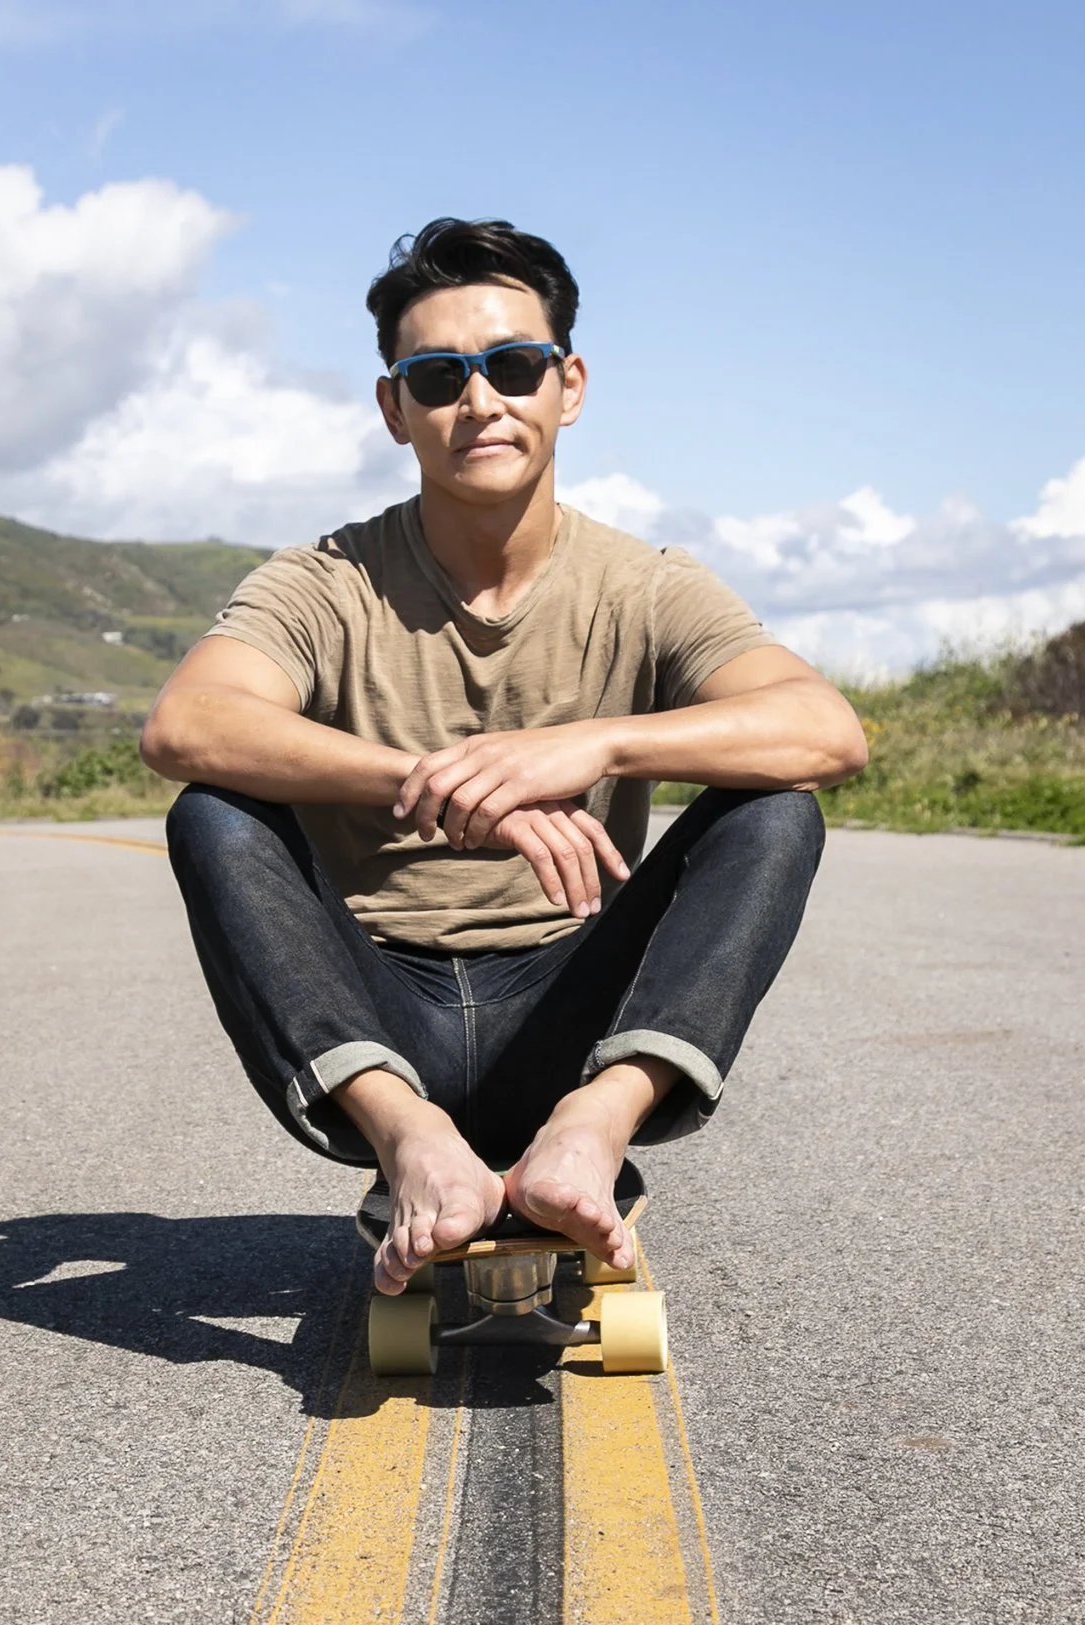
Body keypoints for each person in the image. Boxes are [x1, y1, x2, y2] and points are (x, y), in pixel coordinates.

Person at [142, 218, 867, 1298]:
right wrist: (433, 780)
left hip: (572, 1014)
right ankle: (411, 1141)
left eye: (512, 366)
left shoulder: (646, 585)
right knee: (213, 811)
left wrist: (593, 743)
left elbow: (825, 728)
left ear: (566, 386)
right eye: (437, 377)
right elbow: (188, 723)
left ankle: (592, 1125)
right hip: (380, 1009)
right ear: (394, 408)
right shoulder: (324, 581)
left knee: (776, 810)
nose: (478, 400)